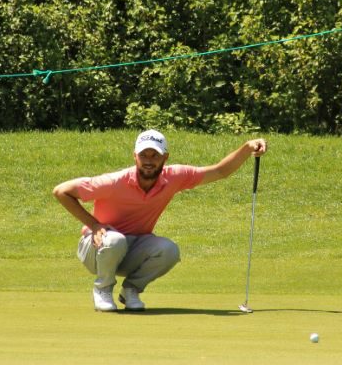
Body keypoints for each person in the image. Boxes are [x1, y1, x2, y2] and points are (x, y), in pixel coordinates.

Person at [53, 130, 267, 312]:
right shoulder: (113, 181)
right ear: (134, 156)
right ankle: (103, 288)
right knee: (115, 240)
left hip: (132, 248)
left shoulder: (174, 177)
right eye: (143, 154)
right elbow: (61, 191)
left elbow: (220, 171)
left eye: (154, 155)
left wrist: (247, 148)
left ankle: (131, 291)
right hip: (96, 248)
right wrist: (94, 224)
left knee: (169, 249)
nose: (148, 160)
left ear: (165, 157)